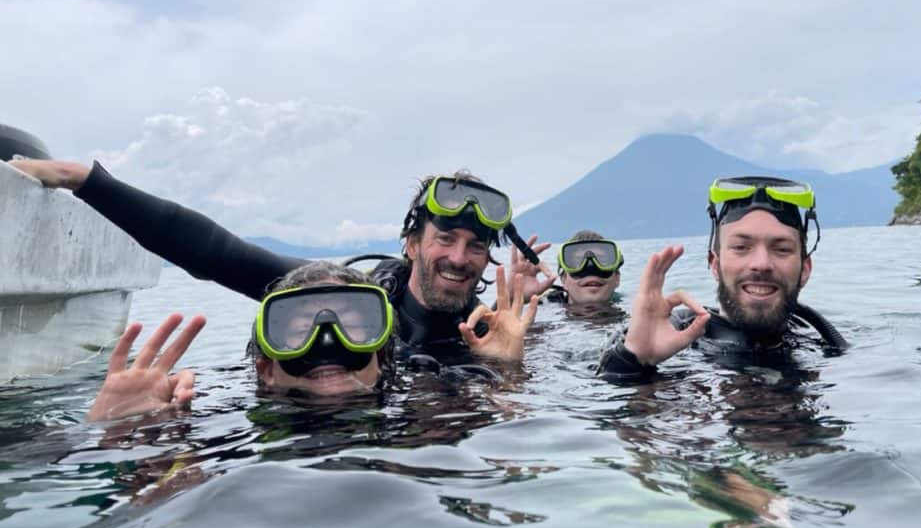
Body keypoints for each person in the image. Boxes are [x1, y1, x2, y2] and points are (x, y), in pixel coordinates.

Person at [9, 159, 546, 367]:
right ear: (411, 243)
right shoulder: (344, 300)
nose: (458, 257)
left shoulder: (493, 333)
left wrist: (507, 372)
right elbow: (217, 253)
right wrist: (88, 182)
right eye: (445, 238)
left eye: (476, 247)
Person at [599, 176, 847, 379]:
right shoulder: (675, 338)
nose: (761, 264)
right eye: (741, 247)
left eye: (781, 249)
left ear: (805, 269)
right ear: (715, 265)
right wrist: (632, 360)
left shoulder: (823, 344)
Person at [89, 262, 401, 421]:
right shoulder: (217, 416)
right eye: (300, 329)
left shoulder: (429, 408)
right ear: (265, 369)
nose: (328, 341)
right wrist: (109, 427)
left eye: (352, 325)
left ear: (383, 355)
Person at [544, 230, 624, 306]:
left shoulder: (634, 310)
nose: (591, 268)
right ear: (564, 280)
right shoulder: (542, 307)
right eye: (578, 261)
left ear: (617, 278)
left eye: (602, 260)